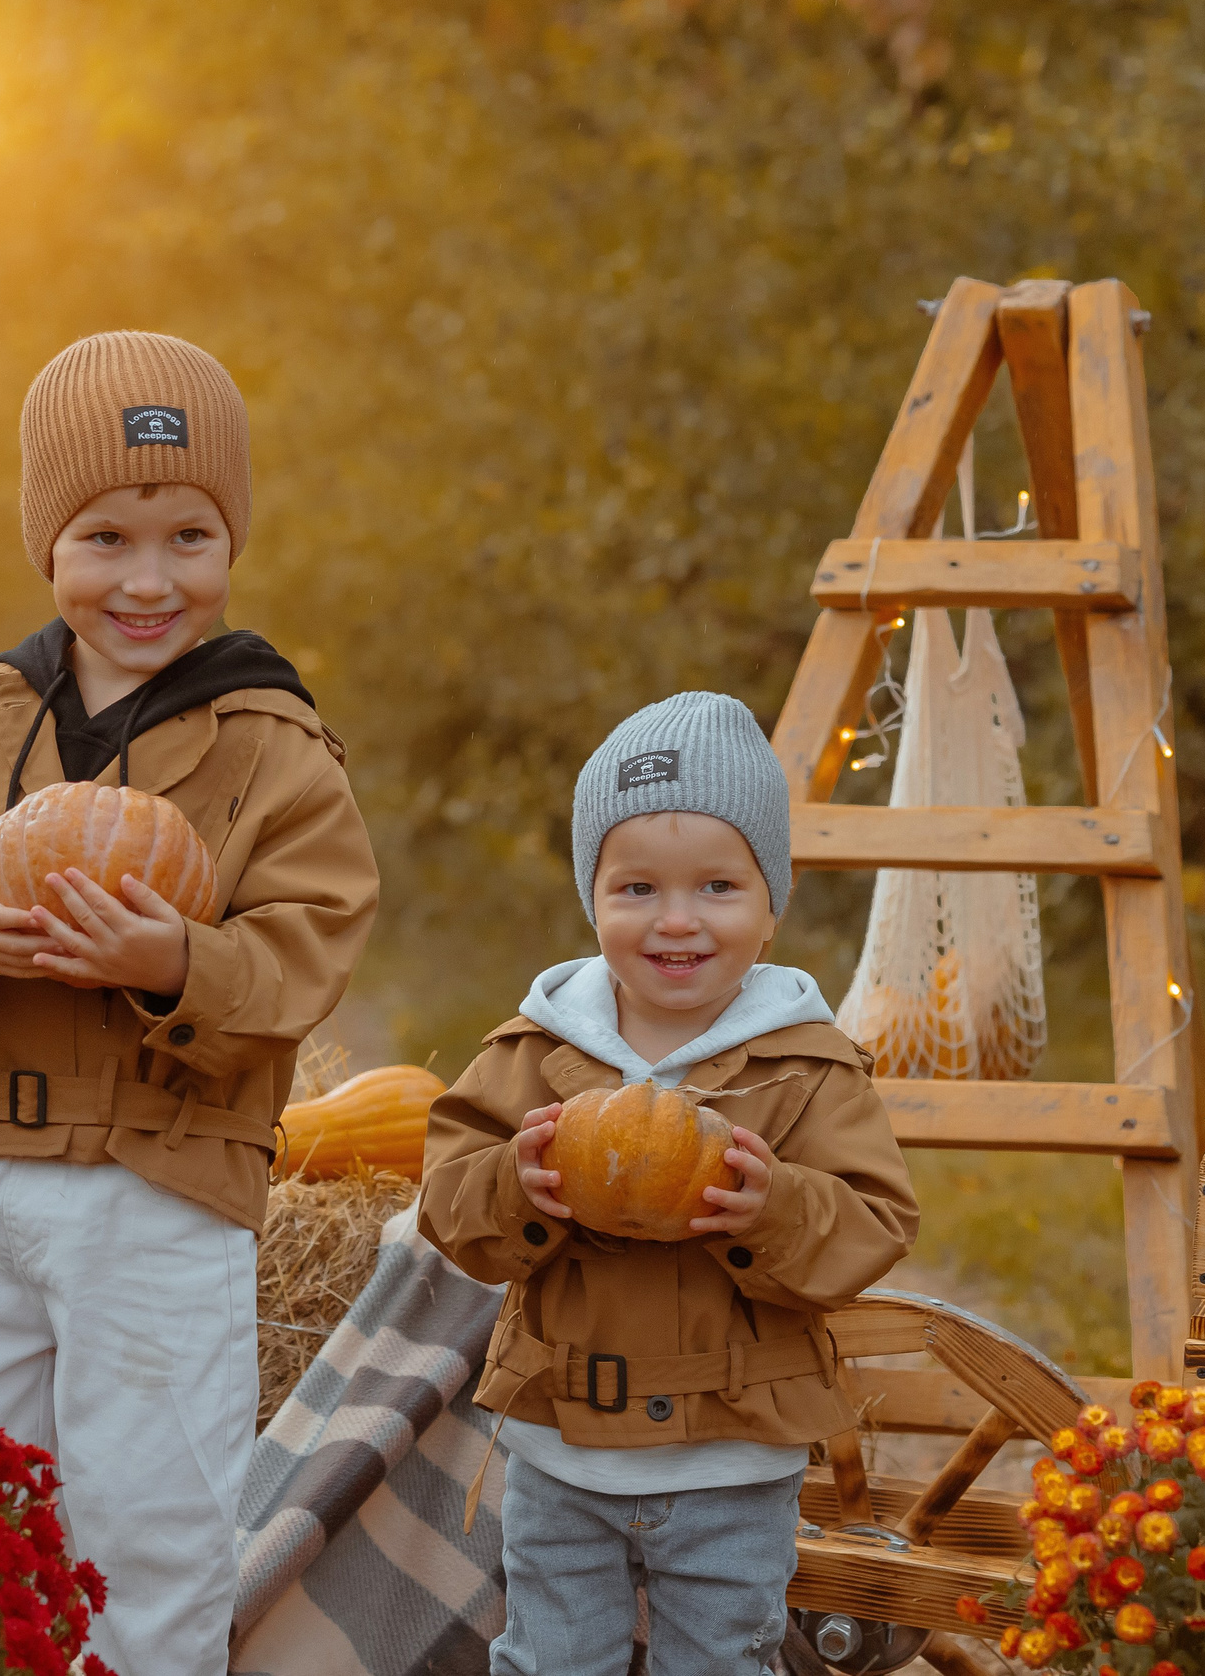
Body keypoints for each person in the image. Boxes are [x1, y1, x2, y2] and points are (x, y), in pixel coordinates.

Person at [0, 330, 379, 1675]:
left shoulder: (273, 746)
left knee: (148, 1529)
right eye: (106, 535)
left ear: (229, 539)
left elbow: (310, 946)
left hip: (155, 1182)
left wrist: (176, 963)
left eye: (190, 534)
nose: (147, 576)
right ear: (46, 544)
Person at [418, 691, 918, 1676]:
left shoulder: (808, 1068)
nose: (677, 921)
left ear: (770, 906)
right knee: (550, 1660)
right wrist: (515, 1189)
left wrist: (773, 1211)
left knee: (722, 1662)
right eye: (637, 888)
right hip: (561, 1448)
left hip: (734, 1462)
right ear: (591, 897)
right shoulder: (531, 1053)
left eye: (718, 888)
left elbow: (873, 1223)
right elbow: (445, 1202)